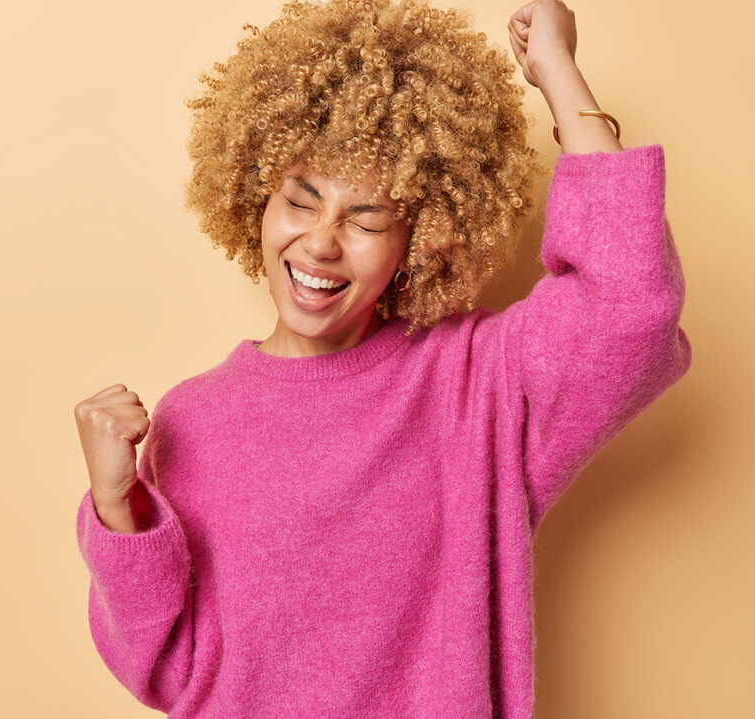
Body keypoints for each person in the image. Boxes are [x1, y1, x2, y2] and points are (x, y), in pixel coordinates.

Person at [73, 0, 692, 716]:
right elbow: (168, 671)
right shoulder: (192, 421)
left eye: (367, 218)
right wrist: (117, 507)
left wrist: (557, 73)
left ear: (418, 240)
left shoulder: (476, 382)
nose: (321, 243)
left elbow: (631, 303)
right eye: (300, 200)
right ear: (255, 197)